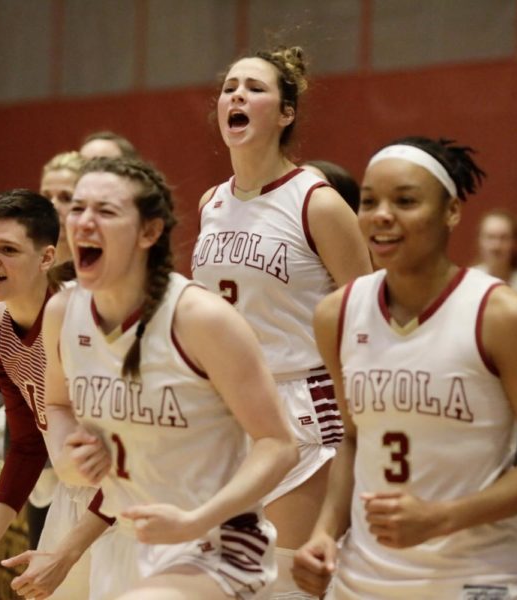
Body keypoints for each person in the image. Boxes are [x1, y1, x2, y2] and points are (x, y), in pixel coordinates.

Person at [292, 137, 517, 598]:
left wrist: (442, 516)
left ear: (451, 213)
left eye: (405, 200)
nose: (382, 214)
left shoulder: (502, 315)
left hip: (474, 573)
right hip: (364, 576)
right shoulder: (337, 314)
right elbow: (352, 437)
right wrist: (325, 531)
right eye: (369, 201)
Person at [43, 156, 298, 599]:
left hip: (217, 543)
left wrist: (196, 520)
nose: (83, 221)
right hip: (124, 537)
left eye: (105, 211)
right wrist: (68, 452)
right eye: (77, 208)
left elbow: (279, 445)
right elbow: (57, 404)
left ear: (149, 232)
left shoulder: (201, 318)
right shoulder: (63, 312)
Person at [191, 45, 372, 598]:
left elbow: (365, 320)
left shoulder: (316, 202)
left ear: (286, 112)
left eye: (255, 88)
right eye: (229, 88)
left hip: (302, 409)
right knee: (227, 581)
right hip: (226, 414)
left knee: (289, 582)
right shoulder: (210, 203)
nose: (236, 95)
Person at [0, 190, 100, 600]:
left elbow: (135, 447)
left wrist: (66, 554)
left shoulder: (86, 316)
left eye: (7, 249)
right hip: (76, 494)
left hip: (134, 497)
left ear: (46, 258)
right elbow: (28, 445)